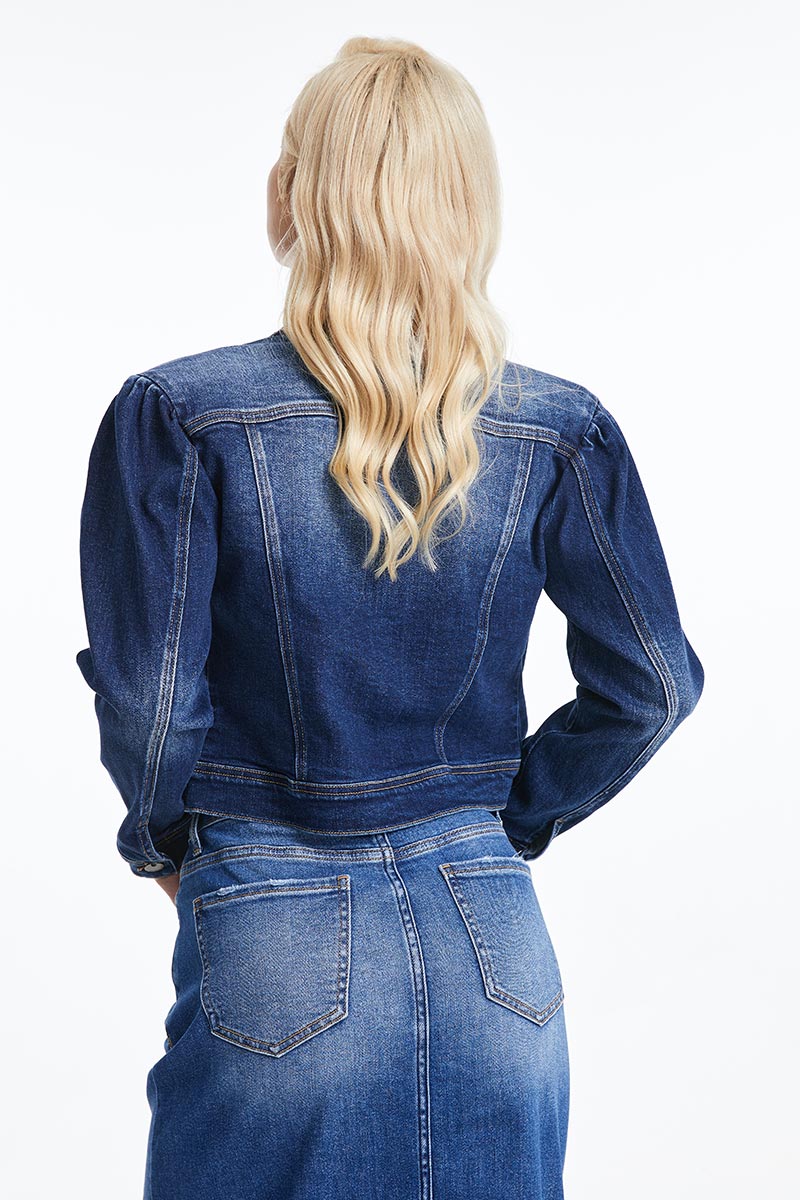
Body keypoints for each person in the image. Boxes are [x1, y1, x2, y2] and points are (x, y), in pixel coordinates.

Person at [75, 35, 704, 1200]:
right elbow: (652, 686)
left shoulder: (180, 417)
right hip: (498, 954)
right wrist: (502, 822)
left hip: (270, 939)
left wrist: (162, 843)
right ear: (470, 208)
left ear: (290, 196)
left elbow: (151, 701)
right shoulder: (557, 430)